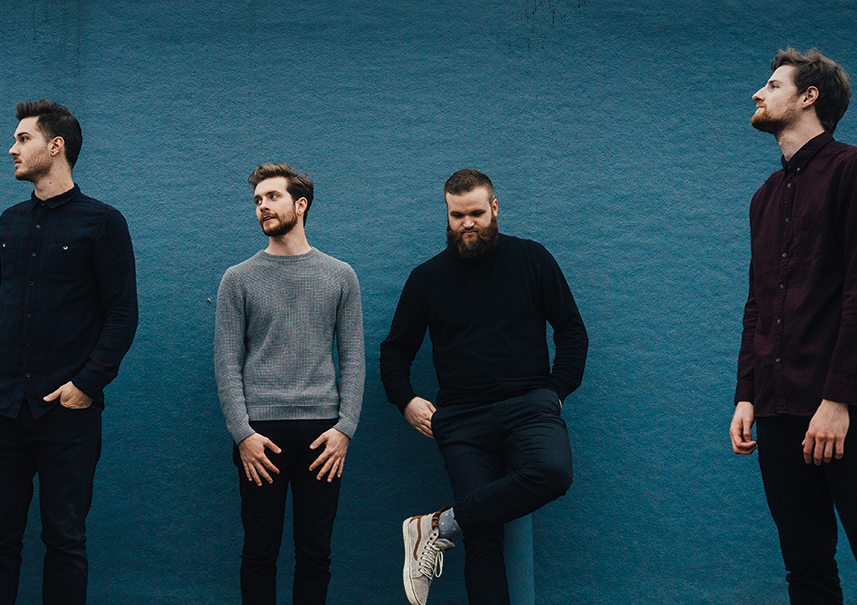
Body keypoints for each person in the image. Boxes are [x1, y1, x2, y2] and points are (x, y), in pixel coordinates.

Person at [729, 49, 857, 605]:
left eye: (772, 84)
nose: (757, 93)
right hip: (775, 409)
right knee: (806, 572)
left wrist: (839, 400)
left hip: (851, 407)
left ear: (809, 97)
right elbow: (758, 302)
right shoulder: (765, 198)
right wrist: (747, 395)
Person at [381, 168, 587, 605]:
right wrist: (406, 400)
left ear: (495, 208)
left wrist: (556, 391)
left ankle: (436, 527)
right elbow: (395, 351)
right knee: (484, 542)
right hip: (461, 420)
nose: (468, 223)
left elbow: (571, 330)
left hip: (530, 405)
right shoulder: (426, 278)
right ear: (447, 214)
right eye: (458, 216)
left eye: (476, 213)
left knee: (553, 472)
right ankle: (450, 527)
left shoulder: (532, 259)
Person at [0, 99, 138, 605]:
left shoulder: (103, 223)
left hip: (67, 413)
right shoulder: (9, 222)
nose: (11, 148)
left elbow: (123, 314)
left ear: (55, 146)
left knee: (65, 540)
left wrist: (86, 386)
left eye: (23, 139)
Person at [214, 163, 365, 605]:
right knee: (259, 552)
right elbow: (226, 363)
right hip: (261, 436)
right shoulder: (237, 278)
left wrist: (345, 429)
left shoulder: (340, 275)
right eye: (257, 200)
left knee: (315, 553)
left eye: (272, 197)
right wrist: (242, 435)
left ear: (300, 205)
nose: (262, 206)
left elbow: (354, 358)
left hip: (324, 435)